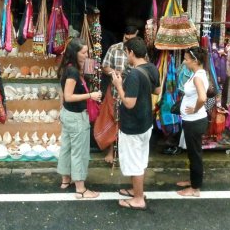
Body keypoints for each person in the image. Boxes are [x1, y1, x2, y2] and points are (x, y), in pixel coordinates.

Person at [111, 37, 161, 210]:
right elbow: (157, 90)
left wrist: (118, 85)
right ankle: (135, 190)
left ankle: (138, 199)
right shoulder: (152, 68)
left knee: (135, 163)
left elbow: (129, 103)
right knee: (139, 160)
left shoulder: (133, 74)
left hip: (133, 125)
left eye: (126, 53)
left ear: (131, 52)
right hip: (146, 122)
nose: (126, 56)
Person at [57, 37, 102, 199]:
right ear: (74, 53)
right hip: (76, 117)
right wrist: (91, 95)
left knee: (67, 148)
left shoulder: (69, 68)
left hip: (68, 114)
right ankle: (81, 189)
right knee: (79, 152)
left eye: (87, 51)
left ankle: (65, 180)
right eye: (83, 52)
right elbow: (68, 96)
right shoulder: (73, 72)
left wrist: (60, 110)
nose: (87, 54)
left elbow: (65, 94)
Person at [101, 26, 138, 163]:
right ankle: (110, 152)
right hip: (115, 92)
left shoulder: (139, 50)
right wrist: (115, 73)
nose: (127, 42)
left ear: (136, 35)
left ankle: (126, 153)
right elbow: (105, 66)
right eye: (125, 38)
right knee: (112, 121)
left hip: (132, 94)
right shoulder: (114, 48)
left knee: (128, 123)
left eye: (131, 39)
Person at [176, 46, 209, 197]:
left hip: (194, 121)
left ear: (194, 61)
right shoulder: (199, 74)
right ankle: (193, 180)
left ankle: (195, 188)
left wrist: (195, 109)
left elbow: (202, 97)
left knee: (195, 154)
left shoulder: (197, 77)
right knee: (193, 153)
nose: (184, 61)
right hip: (193, 121)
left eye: (186, 59)